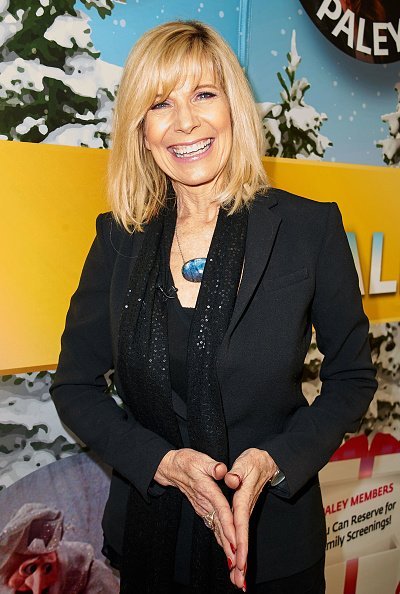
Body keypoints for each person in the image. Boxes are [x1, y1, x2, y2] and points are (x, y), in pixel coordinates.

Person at [50, 20, 377, 594]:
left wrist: (273, 461)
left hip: (274, 544)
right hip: (151, 539)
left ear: (234, 108)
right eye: (160, 104)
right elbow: (74, 386)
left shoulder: (308, 229)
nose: (185, 122)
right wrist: (162, 462)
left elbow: (351, 380)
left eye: (204, 94)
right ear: (142, 131)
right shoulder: (119, 238)